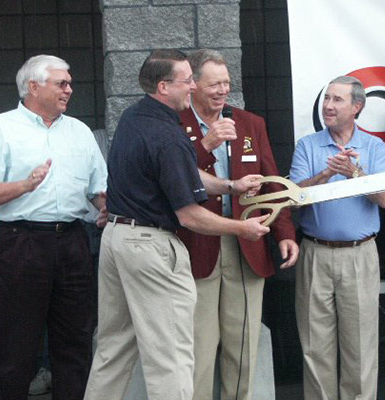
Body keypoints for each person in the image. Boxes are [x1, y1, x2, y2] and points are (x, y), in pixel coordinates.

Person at [84, 49, 270, 400]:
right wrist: (241, 229)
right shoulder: (169, 137)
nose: (193, 87)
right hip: (152, 247)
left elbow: (186, 176)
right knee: (171, 356)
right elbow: (190, 215)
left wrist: (230, 186)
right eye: (188, 80)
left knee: (113, 349)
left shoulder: (133, 118)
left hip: (117, 240)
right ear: (164, 85)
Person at [0, 55, 107, 400]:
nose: (69, 89)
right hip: (21, 243)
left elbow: (97, 189)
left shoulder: (79, 131)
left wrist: (108, 208)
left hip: (73, 242)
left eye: (69, 82)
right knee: (15, 346)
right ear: (33, 86)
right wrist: (24, 185)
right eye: (61, 83)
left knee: (76, 343)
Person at [177, 49, 298, 400]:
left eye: (226, 83)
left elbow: (274, 180)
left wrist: (285, 233)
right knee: (198, 346)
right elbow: (174, 176)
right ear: (193, 84)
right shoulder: (175, 121)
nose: (222, 91)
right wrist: (206, 143)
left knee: (243, 345)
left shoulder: (249, 123)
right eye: (214, 84)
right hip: (196, 244)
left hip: (247, 244)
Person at [289, 75, 385, 399]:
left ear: (357, 107)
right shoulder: (308, 145)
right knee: (314, 347)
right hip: (315, 254)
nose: (328, 106)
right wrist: (327, 173)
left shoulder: (374, 146)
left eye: (337, 100)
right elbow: (294, 198)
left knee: (360, 348)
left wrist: (356, 175)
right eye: (326, 99)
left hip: (359, 254)